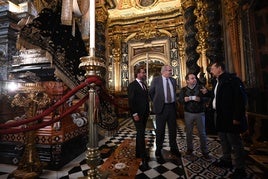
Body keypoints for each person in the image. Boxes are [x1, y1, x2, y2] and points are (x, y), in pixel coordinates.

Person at [210, 61, 247, 178]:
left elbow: (240, 99)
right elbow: (217, 97)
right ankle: (226, 160)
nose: (211, 71)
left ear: (219, 68)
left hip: (230, 117)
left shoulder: (232, 80)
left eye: (212, 68)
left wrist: (237, 117)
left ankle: (240, 169)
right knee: (223, 140)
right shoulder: (217, 81)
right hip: (220, 116)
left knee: (235, 142)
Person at [149, 65, 181, 164]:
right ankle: (158, 150)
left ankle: (174, 148)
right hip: (161, 109)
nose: (171, 72)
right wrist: (156, 102)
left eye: (171, 70)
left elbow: (174, 92)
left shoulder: (173, 80)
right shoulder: (156, 80)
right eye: (169, 70)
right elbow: (151, 92)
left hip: (171, 107)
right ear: (163, 71)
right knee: (160, 131)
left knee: (173, 130)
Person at [178, 73, 210, 159]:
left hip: (200, 113)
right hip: (188, 113)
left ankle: (205, 151)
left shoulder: (201, 88)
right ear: (187, 80)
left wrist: (200, 99)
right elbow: (180, 100)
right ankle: (189, 149)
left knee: (202, 133)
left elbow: (207, 98)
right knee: (189, 133)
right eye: (192, 78)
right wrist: (184, 100)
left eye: (195, 78)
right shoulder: (183, 90)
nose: (194, 79)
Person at [127, 66, 150, 170]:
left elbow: (145, 99)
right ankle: (143, 157)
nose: (144, 74)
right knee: (141, 134)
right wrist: (135, 114)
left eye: (144, 72)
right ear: (137, 74)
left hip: (144, 113)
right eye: (142, 72)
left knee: (140, 133)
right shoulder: (132, 85)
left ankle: (138, 153)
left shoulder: (144, 85)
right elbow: (131, 101)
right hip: (137, 114)